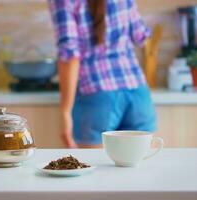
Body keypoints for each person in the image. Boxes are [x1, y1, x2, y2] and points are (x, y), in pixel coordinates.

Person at [48, 0, 156, 148]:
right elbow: (141, 36)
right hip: (138, 92)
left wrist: (65, 112)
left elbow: (70, 55)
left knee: (95, 169)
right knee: (139, 170)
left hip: (97, 96)